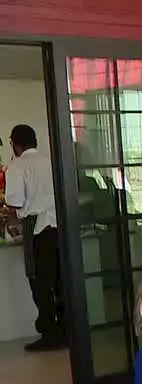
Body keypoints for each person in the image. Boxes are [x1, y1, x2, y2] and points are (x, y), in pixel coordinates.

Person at [1, 124, 63, 351]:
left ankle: (49, 333)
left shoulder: (17, 166)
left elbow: (15, 202)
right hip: (59, 226)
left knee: (39, 281)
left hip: (37, 229)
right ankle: (66, 330)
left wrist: (8, 211)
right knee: (60, 281)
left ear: (16, 144)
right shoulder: (51, 161)